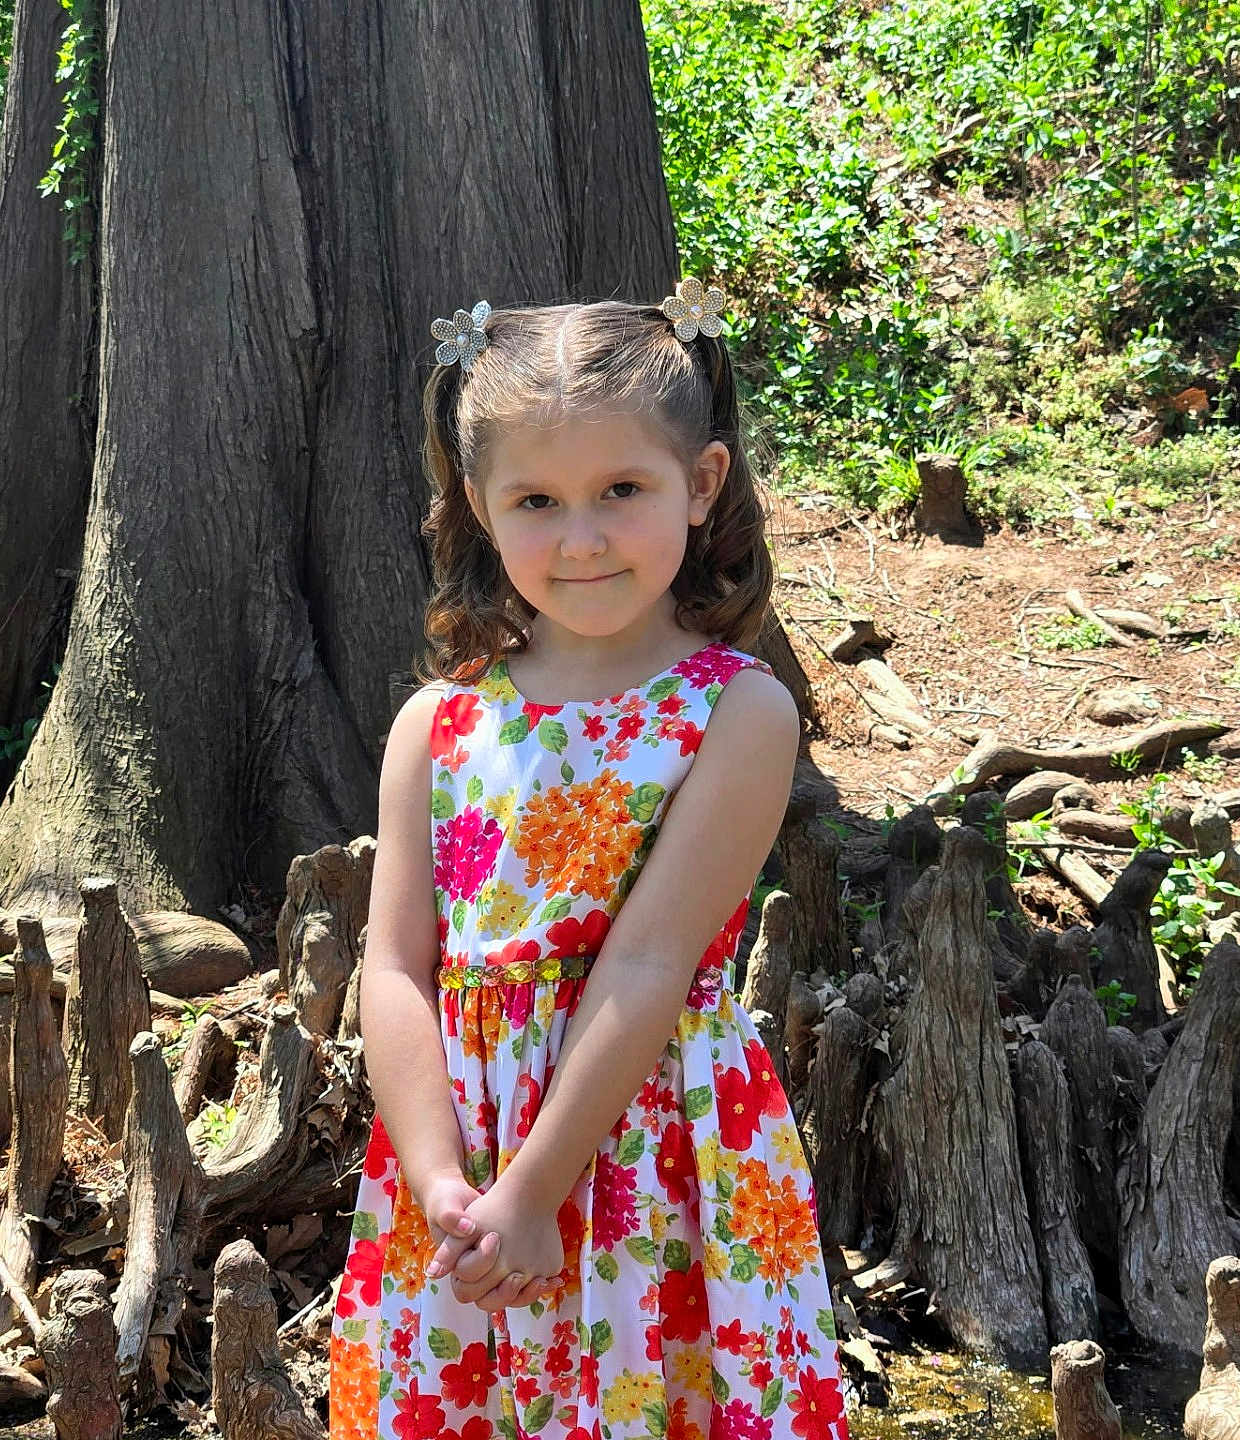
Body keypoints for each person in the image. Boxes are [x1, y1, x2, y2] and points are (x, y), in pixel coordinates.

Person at [328, 280, 850, 1440]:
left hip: (648, 1162)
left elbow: (649, 966)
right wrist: (443, 1188)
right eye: (536, 500)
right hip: (461, 1167)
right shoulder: (439, 728)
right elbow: (395, 971)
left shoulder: (734, 712)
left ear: (701, 483)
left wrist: (537, 1190)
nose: (582, 537)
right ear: (478, 504)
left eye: (623, 490)